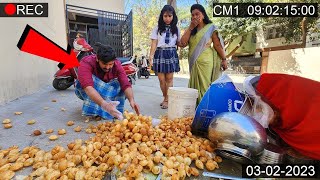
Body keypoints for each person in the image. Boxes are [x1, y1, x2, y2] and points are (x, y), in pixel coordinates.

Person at [75, 43, 140, 120]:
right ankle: (99, 110)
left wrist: (132, 100)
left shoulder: (117, 64)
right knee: (91, 81)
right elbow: (88, 88)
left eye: (111, 64)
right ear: (97, 59)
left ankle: (110, 109)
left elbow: (125, 83)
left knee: (120, 84)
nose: (108, 67)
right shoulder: (86, 62)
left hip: (105, 90)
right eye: (104, 64)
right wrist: (105, 105)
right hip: (87, 90)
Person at [180, 4, 228, 105]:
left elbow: (217, 45)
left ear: (203, 15)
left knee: (204, 87)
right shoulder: (191, 31)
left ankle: (205, 109)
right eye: (192, 15)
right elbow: (183, 44)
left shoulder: (210, 28)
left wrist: (224, 59)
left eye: (197, 14)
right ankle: (197, 111)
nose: (194, 17)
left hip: (206, 62)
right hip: (193, 63)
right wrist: (190, 27)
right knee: (194, 89)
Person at [149, 5, 181, 109]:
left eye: (170, 16)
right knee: (161, 80)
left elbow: (179, 43)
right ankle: (165, 97)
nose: (167, 18)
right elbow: (154, 43)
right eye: (165, 16)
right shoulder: (157, 28)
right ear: (162, 16)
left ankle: (167, 100)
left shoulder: (176, 29)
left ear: (173, 16)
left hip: (171, 53)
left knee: (169, 78)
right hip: (160, 53)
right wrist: (151, 56)